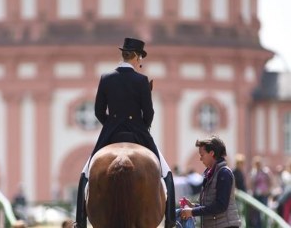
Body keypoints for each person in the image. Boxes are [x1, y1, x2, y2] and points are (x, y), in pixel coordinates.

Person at [75, 37, 176, 228]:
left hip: (111, 132)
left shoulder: (106, 78)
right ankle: (171, 221)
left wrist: (111, 124)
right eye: (140, 59)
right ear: (136, 57)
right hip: (138, 131)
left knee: (86, 173)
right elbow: (149, 113)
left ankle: (79, 222)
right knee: (166, 172)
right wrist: (142, 126)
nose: (140, 62)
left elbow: (98, 111)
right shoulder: (142, 80)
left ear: (123, 55)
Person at [180, 135, 241, 228]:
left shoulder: (224, 173)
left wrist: (192, 212)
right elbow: (211, 204)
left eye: (202, 155)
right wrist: (193, 206)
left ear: (212, 153)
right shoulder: (212, 173)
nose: (200, 159)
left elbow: (220, 205)